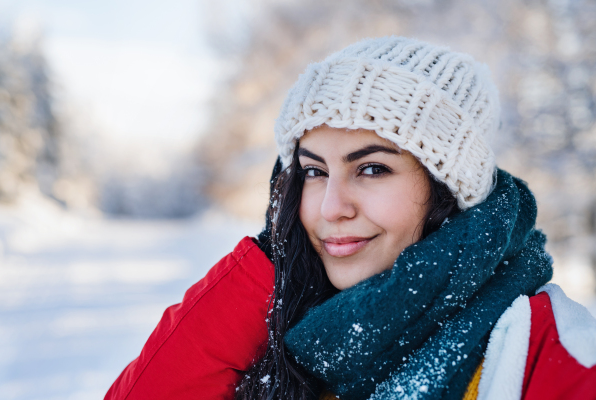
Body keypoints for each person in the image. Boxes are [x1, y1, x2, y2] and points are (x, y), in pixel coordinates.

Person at [104, 36, 596, 400]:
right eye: (314, 171)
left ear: (448, 190)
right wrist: (272, 269)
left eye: (372, 168)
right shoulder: (285, 330)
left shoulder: (551, 352)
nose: (329, 207)